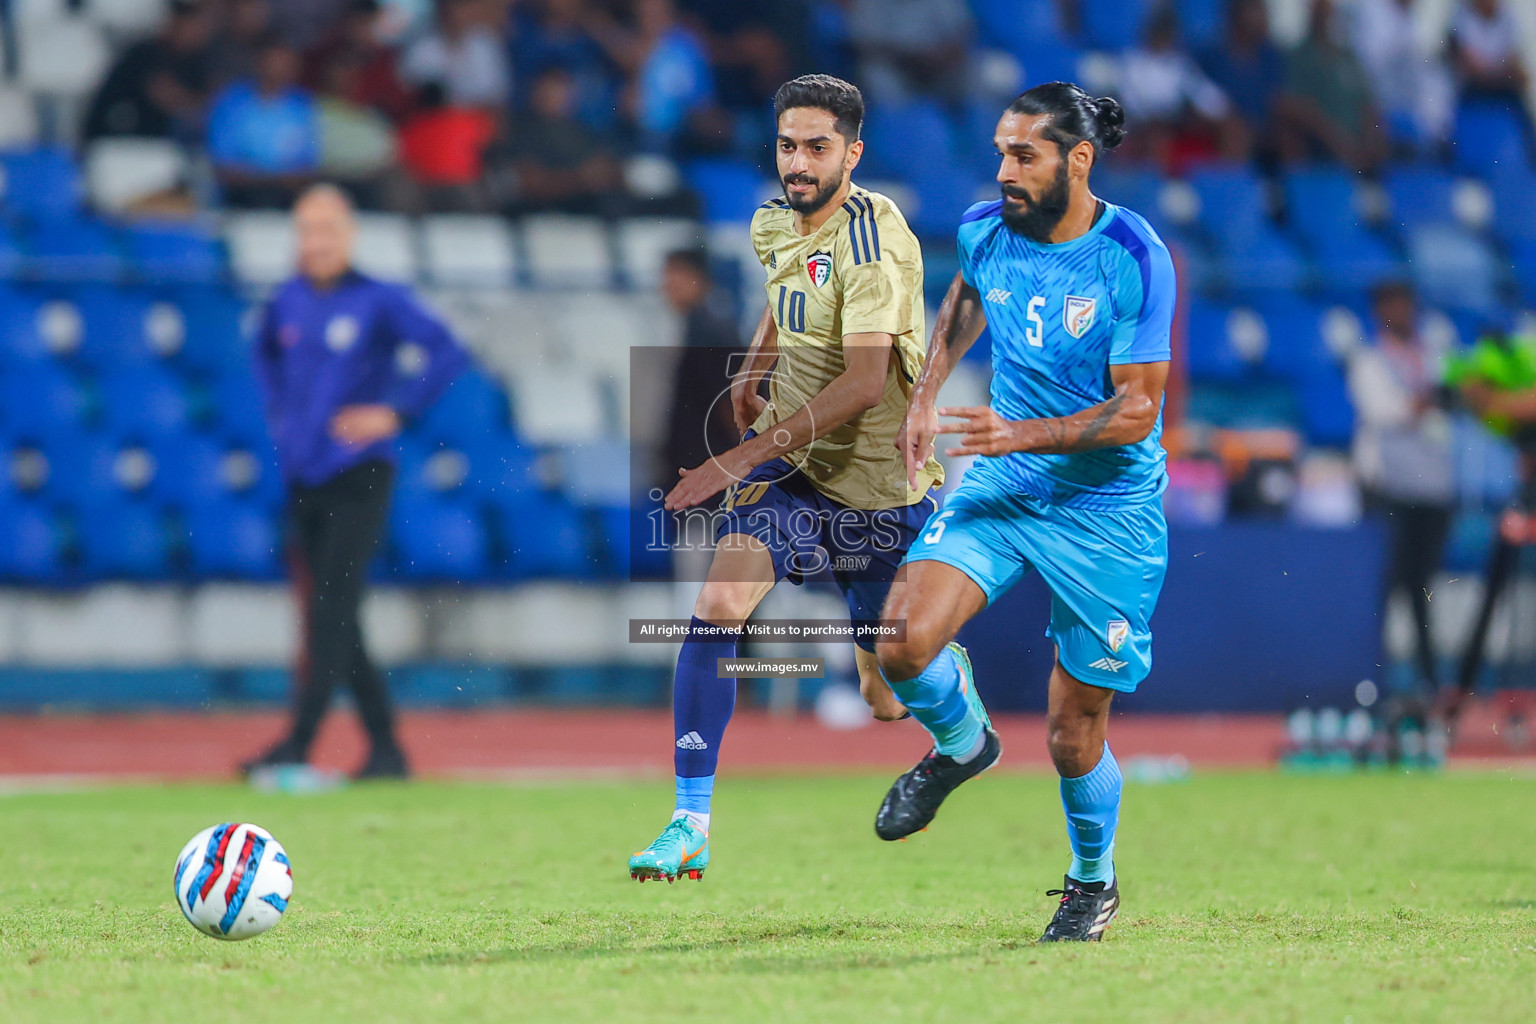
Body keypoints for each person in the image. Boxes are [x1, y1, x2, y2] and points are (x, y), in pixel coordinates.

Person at [625, 74, 953, 883]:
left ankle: (932, 707)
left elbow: (867, 383)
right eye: (787, 145)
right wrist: (759, 362)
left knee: (895, 681)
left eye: (817, 147)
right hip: (795, 469)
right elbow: (789, 285)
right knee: (719, 603)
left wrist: (728, 458)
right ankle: (689, 821)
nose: (798, 163)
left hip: (880, 489)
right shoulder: (774, 219)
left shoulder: (877, 240)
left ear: (853, 152)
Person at [875, 82, 1175, 943]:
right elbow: (967, 298)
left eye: (1024, 155)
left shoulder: (1134, 256)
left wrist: (1024, 433)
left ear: (1078, 160)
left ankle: (1092, 882)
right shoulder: (983, 228)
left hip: (1107, 507)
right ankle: (963, 742)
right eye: (1002, 151)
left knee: (1073, 731)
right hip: (1009, 486)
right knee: (901, 641)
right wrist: (928, 393)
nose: (1004, 170)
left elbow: (1137, 412)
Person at [241, 184, 469, 780]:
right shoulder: (285, 301)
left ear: (349, 235)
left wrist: (396, 412)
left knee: (329, 609)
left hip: (359, 473)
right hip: (304, 475)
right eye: (306, 231)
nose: (315, 243)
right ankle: (386, 748)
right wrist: (283, 417)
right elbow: (263, 355)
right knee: (337, 613)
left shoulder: (378, 299)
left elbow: (445, 351)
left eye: (327, 231)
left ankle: (299, 741)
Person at [1347, 282, 1455, 700]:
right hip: (1388, 489)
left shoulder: (1432, 355)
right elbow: (1385, 411)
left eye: (1407, 304)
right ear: (1378, 312)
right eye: (1392, 305)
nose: (1402, 313)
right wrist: (1426, 402)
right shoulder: (1370, 360)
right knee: (1383, 585)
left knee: (1422, 588)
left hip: (1432, 489)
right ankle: (1374, 678)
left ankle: (1427, 679)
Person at [206, 36, 321, 208]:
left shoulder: (303, 107)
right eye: (272, 61)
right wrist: (263, 178)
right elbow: (223, 166)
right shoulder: (231, 103)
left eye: (284, 63)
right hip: (239, 198)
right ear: (258, 63)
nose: (277, 69)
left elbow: (306, 166)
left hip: (286, 199)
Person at [84, 0, 214, 141]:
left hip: (162, 147)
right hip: (120, 140)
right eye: (192, 23)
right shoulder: (144, 54)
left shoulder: (196, 61)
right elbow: (166, 95)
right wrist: (205, 111)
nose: (200, 30)